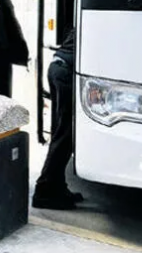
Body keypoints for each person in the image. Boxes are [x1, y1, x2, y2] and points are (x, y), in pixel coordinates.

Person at [33, 29, 84, 209]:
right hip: (65, 72)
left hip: (59, 67)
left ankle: (57, 186)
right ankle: (44, 191)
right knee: (66, 133)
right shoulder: (108, 16)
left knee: (61, 132)